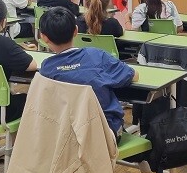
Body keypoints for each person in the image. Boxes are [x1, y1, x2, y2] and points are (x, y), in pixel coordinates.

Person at [39, 7, 138, 140]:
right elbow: (132, 75)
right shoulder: (97, 56)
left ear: (44, 37)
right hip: (104, 134)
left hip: (65, 136)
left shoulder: (47, 69)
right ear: (76, 31)